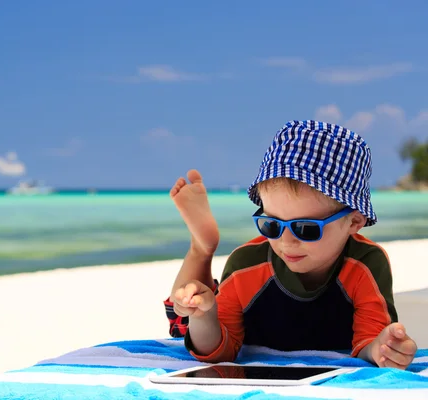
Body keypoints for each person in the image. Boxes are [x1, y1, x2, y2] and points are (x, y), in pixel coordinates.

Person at [164, 120, 418, 370]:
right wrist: (205, 317)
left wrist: (380, 349)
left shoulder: (366, 263)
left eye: (306, 228)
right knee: (189, 309)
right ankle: (201, 248)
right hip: (229, 339)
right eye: (271, 225)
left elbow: (367, 341)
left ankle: (203, 250)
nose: (286, 242)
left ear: (354, 222)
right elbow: (218, 349)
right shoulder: (246, 264)